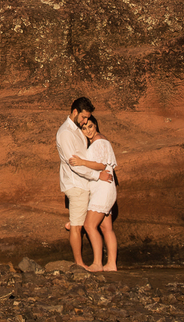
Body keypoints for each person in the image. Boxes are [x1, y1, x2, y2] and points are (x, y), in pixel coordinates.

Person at [56, 97, 112, 269]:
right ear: (75, 112)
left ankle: (102, 263)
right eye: (84, 117)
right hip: (77, 184)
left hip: (86, 183)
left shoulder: (78, 129)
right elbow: (75, 165)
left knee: (89, 223)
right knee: (76, 227)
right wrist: (97, 176)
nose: (86, 121)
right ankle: (79, 264)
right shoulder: (66, 133)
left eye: (88, 118)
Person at [69, 114, 119, 271]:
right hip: (104, 188)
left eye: (90, 126)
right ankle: (111, 264)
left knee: (90, 225)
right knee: (106, 228)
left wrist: (82, 162)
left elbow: (101, 165)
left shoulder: (98, 141)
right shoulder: (98, 141)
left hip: (103, 189)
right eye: (84, 128)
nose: (88, 130)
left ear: (96, 125)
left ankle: (98, 263)